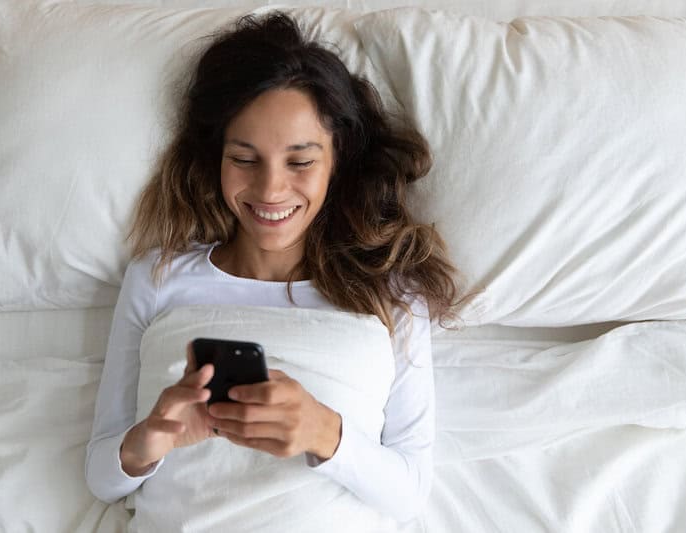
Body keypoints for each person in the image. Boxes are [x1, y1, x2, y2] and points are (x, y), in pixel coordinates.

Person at [85, 10, 464, 530]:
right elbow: (103, 477)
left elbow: (409, 493)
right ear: (216, 157)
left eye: (300, 162)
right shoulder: (157, 277)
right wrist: (151, 438)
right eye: (245, 158)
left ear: (339, 160)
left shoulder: (393, 292)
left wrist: (322, 433)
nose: (269, 191)